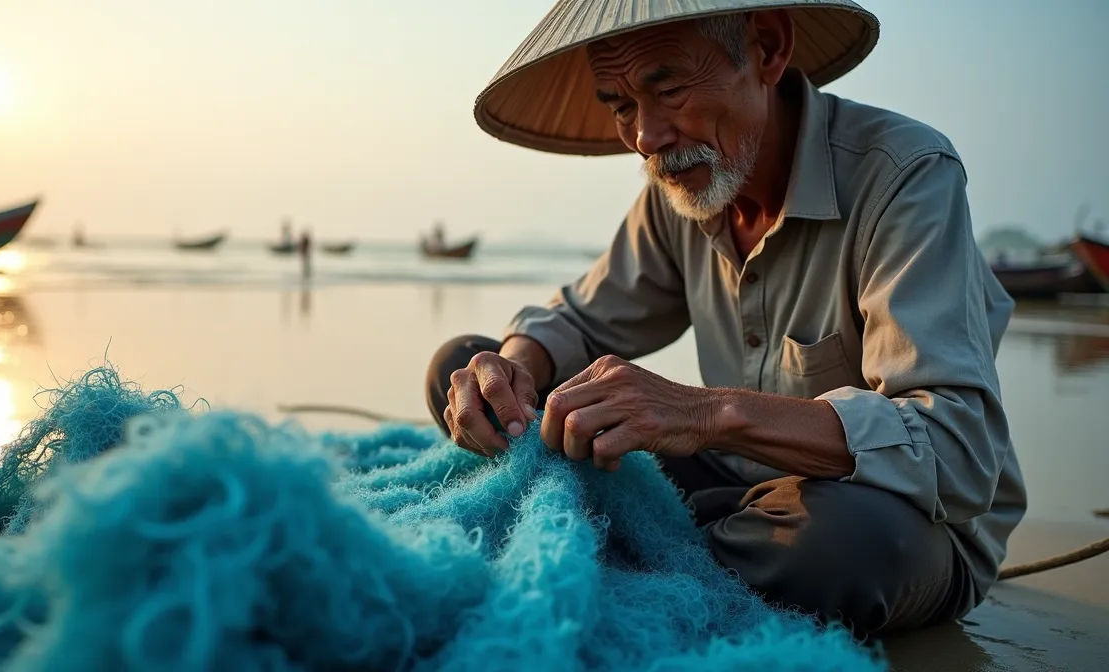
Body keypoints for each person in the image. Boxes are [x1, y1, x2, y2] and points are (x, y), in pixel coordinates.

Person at [427, 0, 1025, 638]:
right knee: (464, 367)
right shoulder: (680, 187)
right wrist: (512, 368)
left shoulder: (904, 174)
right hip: (733, 488)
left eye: (671, 88)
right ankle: (675, 551)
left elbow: (957, 453)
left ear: (767, 49)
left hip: (891, 518)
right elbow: (576, 320)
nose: (646, 138)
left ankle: (642, 552)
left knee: (842, 546)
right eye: (622, 106)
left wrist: (704, 413)